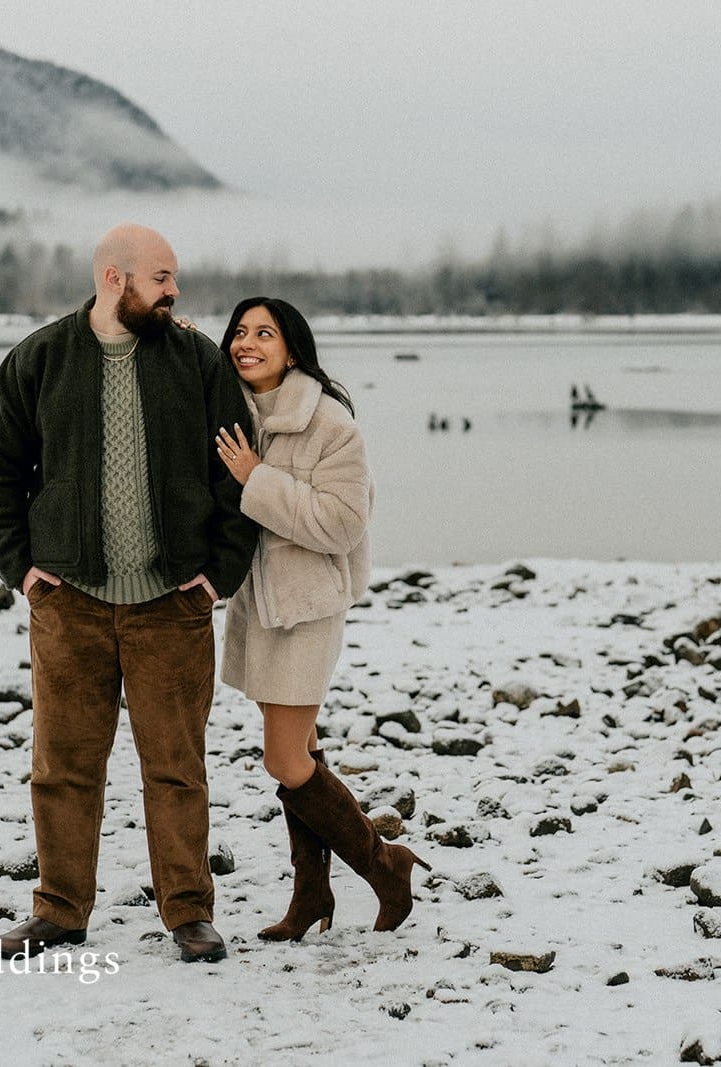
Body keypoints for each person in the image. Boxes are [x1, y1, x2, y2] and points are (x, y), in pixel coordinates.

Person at [0, 224, 257, 964]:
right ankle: (60, 910)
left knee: (176, 766)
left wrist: (218, 573)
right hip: (70, 604)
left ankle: (188, 912)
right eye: (161, 278)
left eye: (173, 278)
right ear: (114, 278)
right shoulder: (39, 358)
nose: (174, 291)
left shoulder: (196, 360)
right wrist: (20, 567)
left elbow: (236, 472)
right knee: (63, 767)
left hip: (172, 602)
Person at [213, 296, 428, 941]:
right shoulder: (234, 413)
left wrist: (257, 478)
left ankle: (384, 866)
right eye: (239, 332)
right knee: (300, 749)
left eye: (265, 333)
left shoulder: (330, 423)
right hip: (259, 603)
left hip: (306, 608)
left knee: (284, 760)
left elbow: (342, 524)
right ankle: (311, 896)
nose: (247, 343)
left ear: (292, 350)